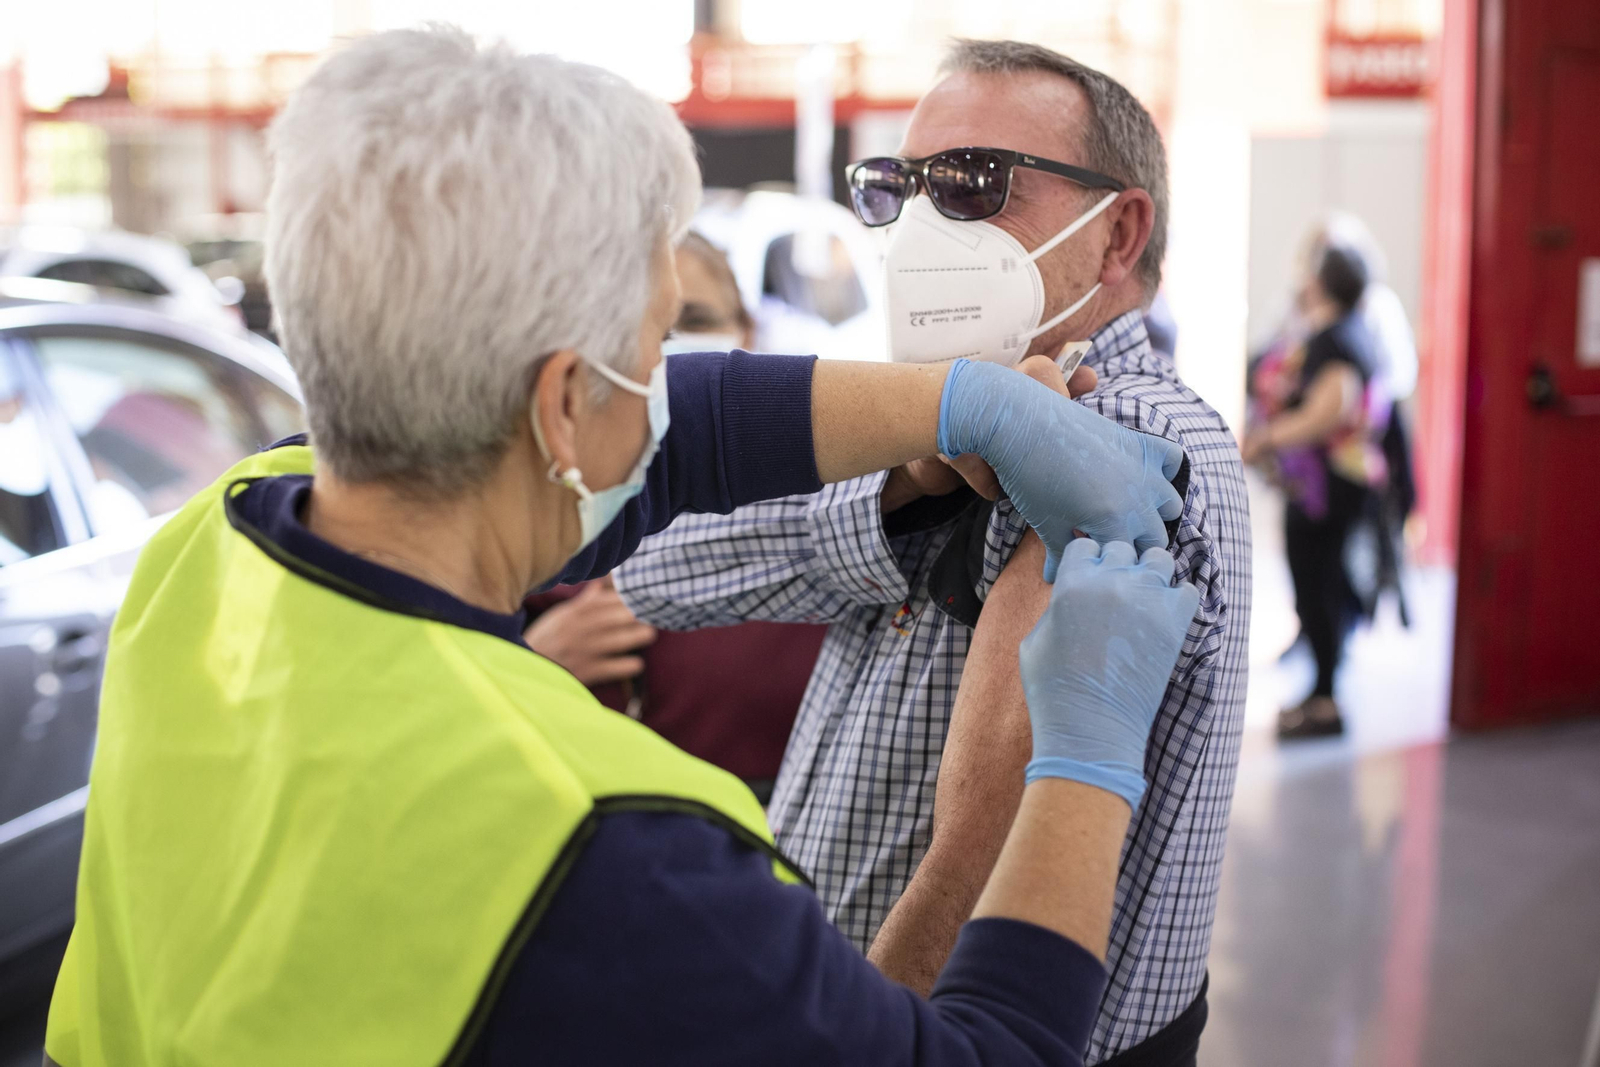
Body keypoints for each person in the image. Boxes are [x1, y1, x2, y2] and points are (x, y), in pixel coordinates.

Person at [43, 28, 1195, 1067]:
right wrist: (1082, 759)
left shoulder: (210, 545)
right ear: (561, 406)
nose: (662, 392)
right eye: (650, 352)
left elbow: (674, 438)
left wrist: (953, 404)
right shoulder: (608, 843)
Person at [617, 39, 1251, 1065]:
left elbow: (980, 852)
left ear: (1119, 231)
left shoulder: (1125, 444)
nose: (920, 229)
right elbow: (648, 567)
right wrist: (902, 484)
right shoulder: (937, 423)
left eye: (971, 184)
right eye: (898, 187)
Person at [525, 234, 828, 800]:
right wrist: (536, 662)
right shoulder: (546, 524)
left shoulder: (817, 513)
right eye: (643, 330)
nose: (669, 355)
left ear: (746, 330)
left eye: (694, 320)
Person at [1244, 237, 1388, 738]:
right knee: (1326, 584)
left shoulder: (1335, 340)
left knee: (1316, 587)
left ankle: (1325, 700)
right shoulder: (1352, 331)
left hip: (1323, 488)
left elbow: (1331, 408)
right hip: (1340, 483)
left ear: (1322, 282)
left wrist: (1266, 438)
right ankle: (1324, 689)